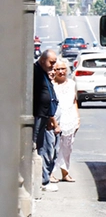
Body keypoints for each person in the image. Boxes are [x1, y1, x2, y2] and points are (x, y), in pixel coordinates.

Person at [32, 49, 59, 193]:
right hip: (37, 115)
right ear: (42, 61)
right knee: (36, 146)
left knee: (41, 147)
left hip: (43, 115)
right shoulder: (35, 72)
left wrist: (50, 116)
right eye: (52, 62)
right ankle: (40, 181)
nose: (54, 65)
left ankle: (42, 180)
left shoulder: (43, 72)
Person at [51, 58, 79, 183]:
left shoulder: (72, 84)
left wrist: (77, 118)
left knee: (67, 147)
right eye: (58, 69)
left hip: (70, 119)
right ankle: (50, 173)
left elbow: (74, 101)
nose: (61, 72)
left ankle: (65, 173)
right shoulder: (52, 85)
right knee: (54, 148)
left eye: (63, 69)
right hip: (56, 120)